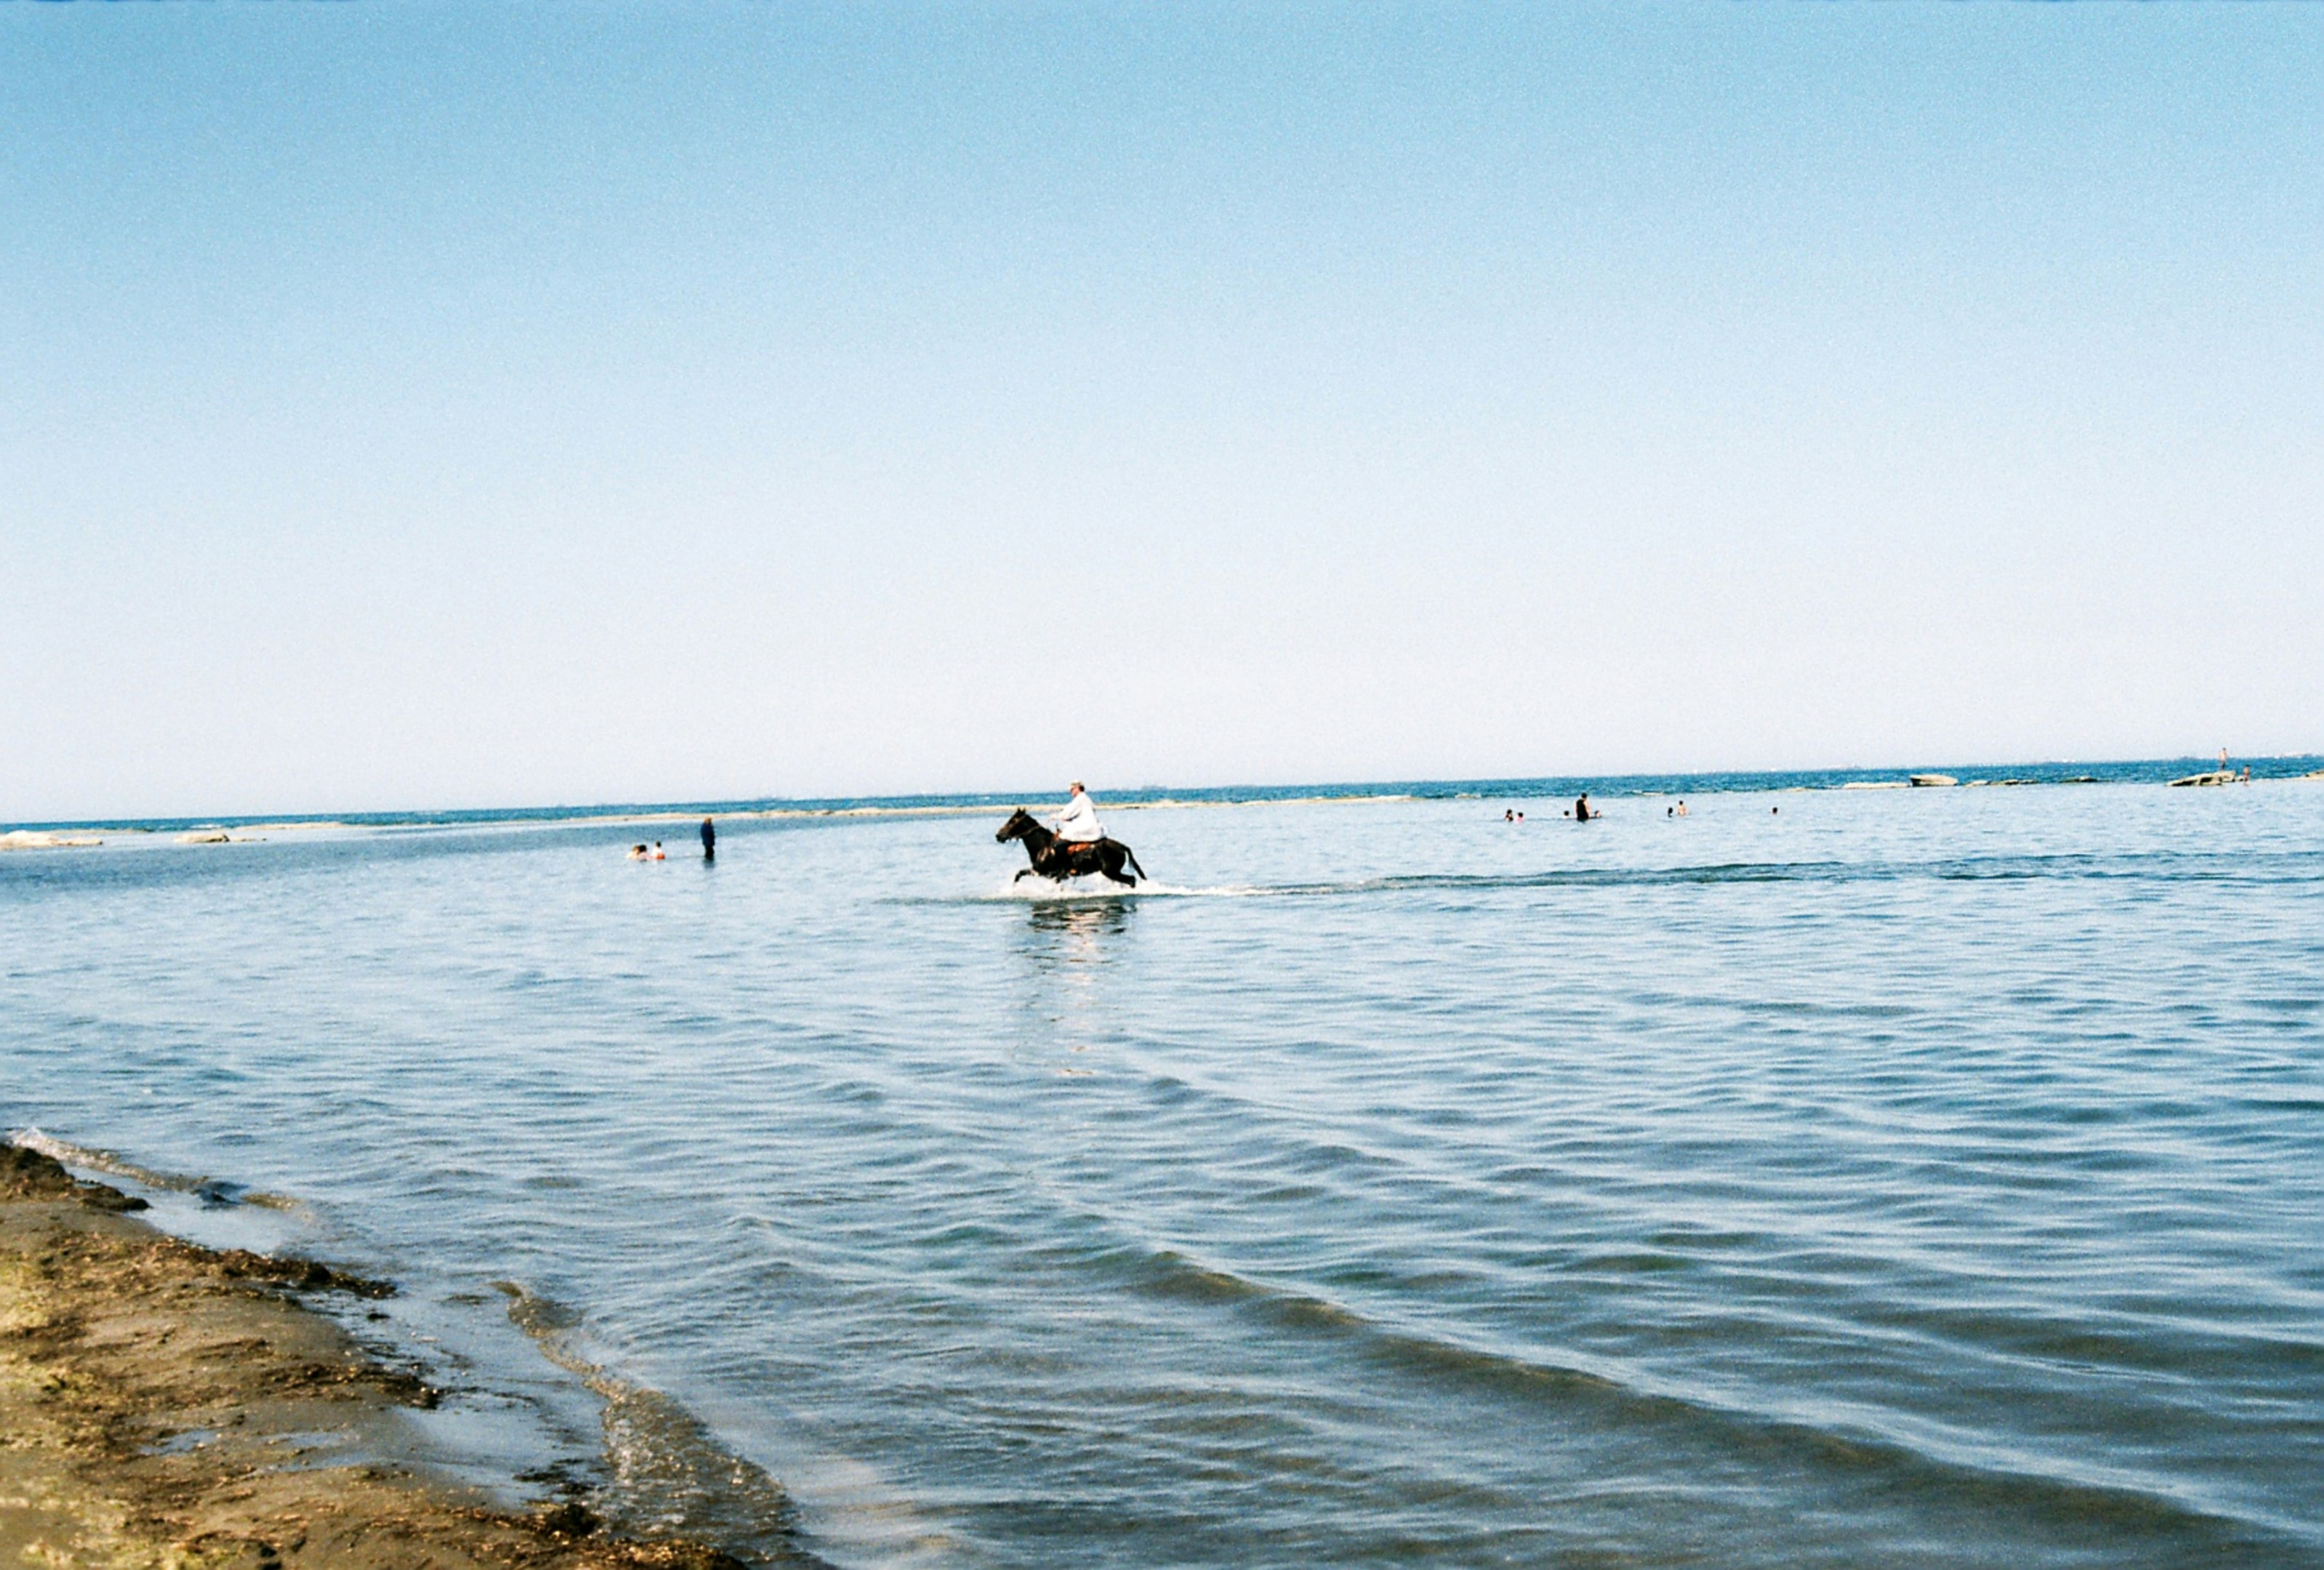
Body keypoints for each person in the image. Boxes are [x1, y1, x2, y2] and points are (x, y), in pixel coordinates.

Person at [1054, 781, 1104, 846]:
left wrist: (1056, 816)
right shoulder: (1087, 799)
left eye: (1072, 789)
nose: (1070, 791)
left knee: (1060, 841)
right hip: (1096, 827)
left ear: (1077, 788)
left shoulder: (1080, 799)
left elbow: (1067, 814)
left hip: (1087, 828)